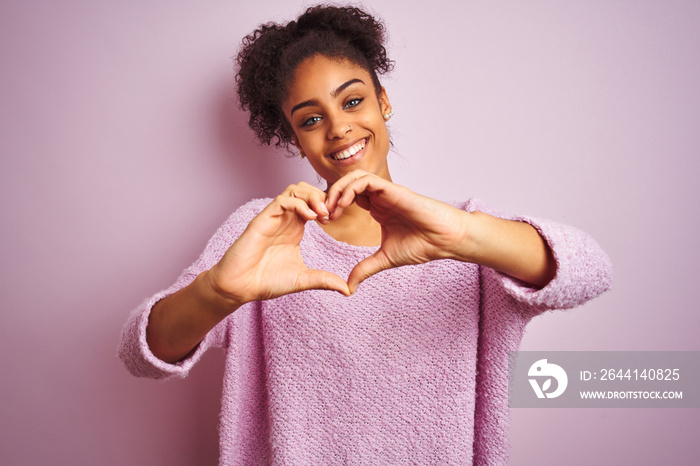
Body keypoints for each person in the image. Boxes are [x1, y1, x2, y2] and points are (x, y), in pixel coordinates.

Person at [119, 5, 612, 464]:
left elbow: (591, 271)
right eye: (311, 119)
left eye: (353, 100)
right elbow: (142, 355)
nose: (338, 128)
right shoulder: (268, 232)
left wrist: (461, 234)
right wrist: (218, 291)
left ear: (383, 101)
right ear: (295, 138)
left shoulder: (464, 232)